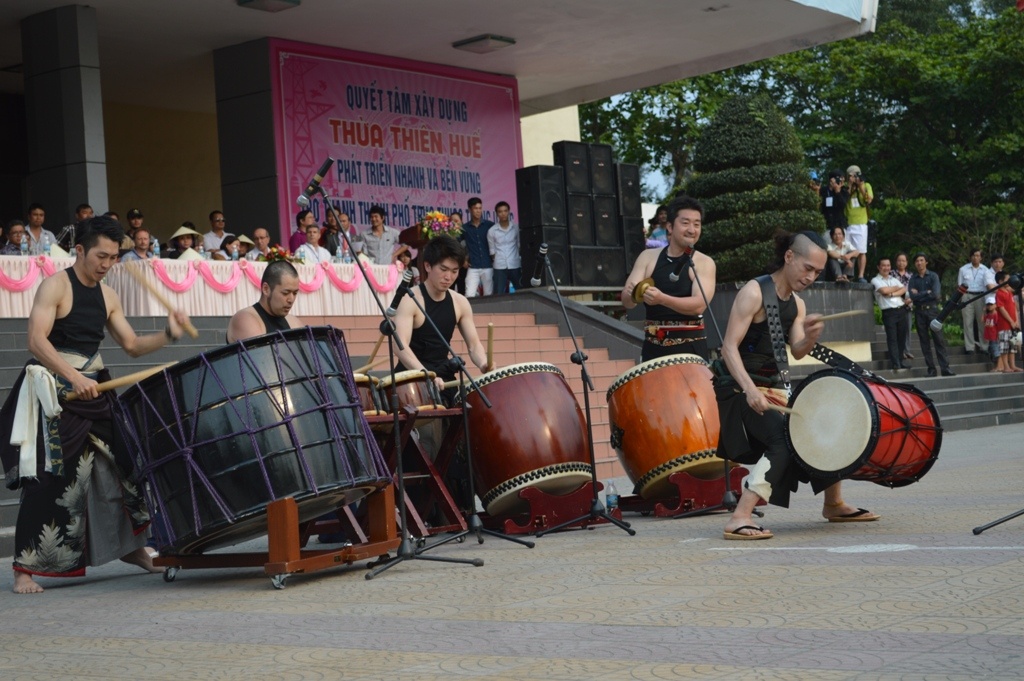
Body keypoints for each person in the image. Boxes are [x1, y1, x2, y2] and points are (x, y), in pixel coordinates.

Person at [0, 216, 190, 593]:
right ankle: (25, 567)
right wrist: (73, 377)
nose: (106, 264)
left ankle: (131, 547)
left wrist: (169, 334)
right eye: (100, 255)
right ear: (80, 250)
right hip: (54, 390)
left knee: (124, 461)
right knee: (49, 473)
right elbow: (36, 341)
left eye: (114, 257)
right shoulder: (55, 286)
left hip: (93, 389)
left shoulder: (108, 296)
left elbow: (132, 346)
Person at [716, 231, 879, 540]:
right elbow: (728, 348)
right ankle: (740, 516)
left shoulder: (797, 304)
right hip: (737, 388)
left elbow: (797, 349)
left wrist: (811, 337)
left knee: (824, 422)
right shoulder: (753, 292)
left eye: (818, 272)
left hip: (772, 387)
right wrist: (750, 390)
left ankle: (833, 503)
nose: (812, 277)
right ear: (789, 257)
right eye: (808, 268)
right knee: (782, 437)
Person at [621, 195, 715, 362]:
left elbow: (699, 306)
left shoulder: (704, 262)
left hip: (691, 349)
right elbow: (628, 302)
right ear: (670, 227)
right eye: (685, 223)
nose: (692, 230)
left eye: (697, 224)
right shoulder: (647, 257)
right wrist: (630, 293)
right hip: (653, 347)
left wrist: (662, 299)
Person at [393, 235, 491, 393]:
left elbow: (474, 345)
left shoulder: (460, 302)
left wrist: (484, 363)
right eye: (443, 269)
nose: (449, 277)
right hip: (411, 378)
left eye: (454, 271)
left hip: (444, 377)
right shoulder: (410, 299)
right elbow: (400, 346)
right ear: (428, 266)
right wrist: (426, 375)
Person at [226, 260, 303, 343]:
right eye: (285, 293)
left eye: (295, 293)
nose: (291, 299)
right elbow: (261, 355)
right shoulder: (245, 319)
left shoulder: (294, 322)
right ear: (266, 289)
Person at [907, 253, 954, 377]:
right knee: (924, 341)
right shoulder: (913, 279)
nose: (919, 263)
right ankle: (931, 369)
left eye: (921, 260)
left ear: (926, 262)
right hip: (919, 311)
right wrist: (926, 292)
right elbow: (912, 297)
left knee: (939, 339)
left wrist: (920, 294)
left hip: (932, 311)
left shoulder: (933, 276)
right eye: (917, 261)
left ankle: (945, 368)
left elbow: (936, 294)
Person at [872, 257, 911, 372]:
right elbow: (883, 291)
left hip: (901, 309)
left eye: (888, 265)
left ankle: (900, 361)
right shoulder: (875, 280)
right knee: (892, 338)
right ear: (879, 267)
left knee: (901, 337)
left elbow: (903, 289)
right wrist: (895, 289)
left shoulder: (893, 278)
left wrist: (892, 293)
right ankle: (895, 363)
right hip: (889, 312)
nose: (886, 268)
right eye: (883, 265)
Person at [957, 248, 993, 354]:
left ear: (981, 257)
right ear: (970, 257)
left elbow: (987, 286)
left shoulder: (985, 270)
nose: (975, 257)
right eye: (973, 255)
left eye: (978, 255)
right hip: (967, 296)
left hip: (981, 296)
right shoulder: (963, 269)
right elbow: (959, 285)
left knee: (982, 322)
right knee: (967, 322)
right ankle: (969, 347)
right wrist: (960, 299)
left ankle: (984, 346)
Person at [843, 165, 871, 282]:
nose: (854, 177)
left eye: (856, 175)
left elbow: (868, 200)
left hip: (861, 223)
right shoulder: (845, 187)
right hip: (848, 222)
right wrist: (849, 185)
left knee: (861, 251)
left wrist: (860, 186)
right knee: (848, 250)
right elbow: (844, 199)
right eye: (851, 175)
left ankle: (860, 275)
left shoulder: (866, 185)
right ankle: (848, 275)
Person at [462, 197, 494, 297]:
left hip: (488, 265)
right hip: (473, 267)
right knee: (469, 294)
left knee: (489, 295)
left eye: (480, 208)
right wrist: (463, 259)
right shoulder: (465, 228)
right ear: (469, 210)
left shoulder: (490, 225)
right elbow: (455, 244)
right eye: (475, 208)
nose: (478, 211)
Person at [488, 201, 520, 294]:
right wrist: (498, 260)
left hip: (515, 264)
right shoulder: (492, 231)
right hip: (499, 266)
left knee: (521, 291)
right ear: (497, 213)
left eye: (505, 211)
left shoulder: (516, 227)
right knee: (498, 293)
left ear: (509, 211)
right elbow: (492, 251)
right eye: (500, 211)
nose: (503, 214)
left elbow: (519, 245)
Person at [994, 271, 1021, 373]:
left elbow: (1013, 307)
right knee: (1004, 346)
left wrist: (1016, 320)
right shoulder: (999, 294)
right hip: (1004, 325)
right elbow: (1001, 309)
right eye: (1007, 280)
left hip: (1013, 324)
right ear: (1001, 281)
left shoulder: (1009, 292)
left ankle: (1013, 365)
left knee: (1012, 346)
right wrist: (1010, 321)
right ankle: (1006, 366)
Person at [893, 252, 914, 361]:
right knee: (897, 330)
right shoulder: (891, 274)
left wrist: (911, 299)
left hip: (908, 305)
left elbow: (914, 290)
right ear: (896, 262)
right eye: (899, 260)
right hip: (895, 305)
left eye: (904, 261)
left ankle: (907, 350)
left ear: (907, 262)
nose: (901, 263)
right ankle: (898, 351)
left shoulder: (911, 276)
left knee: (907, 329)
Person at [449, 210, 468, 294]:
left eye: (456, 221)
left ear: (461, 221)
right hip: (451, 266)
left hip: (464, 266)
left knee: (462, 289)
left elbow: (469, 248)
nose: (454, 223)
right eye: (452, 221)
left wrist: (465, 260)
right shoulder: (447, 234)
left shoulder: (466, 233)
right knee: (450, 289)